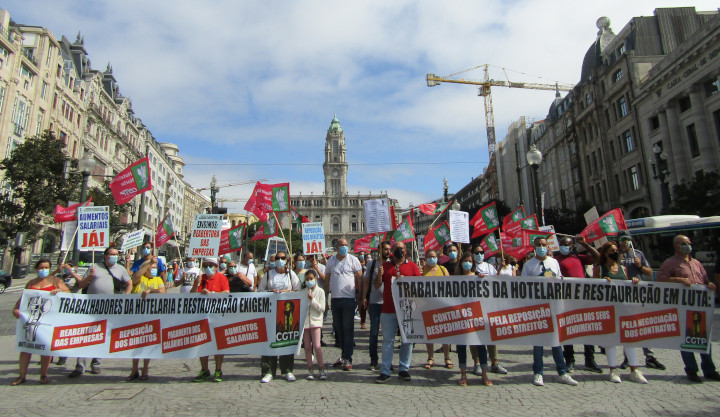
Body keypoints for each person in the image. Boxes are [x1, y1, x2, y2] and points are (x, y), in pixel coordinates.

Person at [657, 235, 720, 383]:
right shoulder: (670, 263)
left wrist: (710, 284)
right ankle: (691, 370)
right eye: (683, 243)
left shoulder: (696, 263)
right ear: (676, 246)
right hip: (683, 307)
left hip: (700, 306)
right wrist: (678, 280)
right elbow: (660, 280)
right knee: (686, 339)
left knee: (703, 338)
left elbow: (705, 279)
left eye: (688, 243)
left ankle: (709, 369)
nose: (687, 245)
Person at [521, 237, 578, 386]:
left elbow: (559, 280)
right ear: (534, 246)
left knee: (556, 341)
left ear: (548, 246)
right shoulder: (528, 265)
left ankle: (562, 372)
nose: (541, 247)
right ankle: (538, 372)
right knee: (538, 343)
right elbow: (523, 287)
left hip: (554, 306)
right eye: (538, 245)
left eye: (543, 245)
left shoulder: (554, 262)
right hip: (538, 307)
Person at [70, 247, 132, 378]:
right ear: (105, 256)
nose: (115, 256)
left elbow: (129, 283)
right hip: (90, 306)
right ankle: (80, 365)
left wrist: (126, 296)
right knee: (85, 334)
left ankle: (96, 363)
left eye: (116, 254)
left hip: (108, 307)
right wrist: (90, 277)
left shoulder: (120, 269)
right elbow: (81, 284)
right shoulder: (95, 266)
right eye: (112, 254)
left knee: (101, 335)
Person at [592, 242, 648, 384]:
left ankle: (634, 369)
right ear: (605, 253)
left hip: (624, 308)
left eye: (616, 250)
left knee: (629, 338)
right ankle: (613, 369)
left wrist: (633, 281)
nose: (615, 252)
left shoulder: (622, 268)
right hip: (608, 309)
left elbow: (627, 285)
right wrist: (601, 282)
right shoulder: (599, 268)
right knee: (611, 340)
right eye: (612, 250)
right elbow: (592, 287)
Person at [11, 259, 71, 385]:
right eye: (41, 267)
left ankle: (43, 375)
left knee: (45, 348)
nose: (44, 270)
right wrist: (16, 309)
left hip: (48, 320)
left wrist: (60, 291)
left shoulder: (56, 281)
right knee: (26, 348)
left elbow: (68, 294)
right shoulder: (31, 282)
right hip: (31, 319)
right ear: (36, 269)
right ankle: (22, 376)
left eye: (46, 267)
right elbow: (23, 298)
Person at [617, 231, 666, 370]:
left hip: (639, 293)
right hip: (623, 294)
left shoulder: (638, 253)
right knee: (626, 325)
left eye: (627, 239)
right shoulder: (616, 254)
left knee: (643, 324)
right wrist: (620, 254)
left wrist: (640, 266)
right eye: (622, 239)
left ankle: (650, 356)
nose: (625, 242)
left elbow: (649, 273)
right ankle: (628, 357)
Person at [554, 234, 602, 374]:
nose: (563, 247)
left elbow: (598, 258)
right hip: (566, 298)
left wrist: (586, 245)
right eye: (561, 244)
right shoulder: (556, 260)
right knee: (568, 330)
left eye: (566, 244)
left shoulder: (578, 258)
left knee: (587, 329)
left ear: (572, 246)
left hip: (582, 297)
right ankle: (569, 360)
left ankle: (590, 359)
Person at [375, 241, 421, 384]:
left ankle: (403, 368)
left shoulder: (412, 266)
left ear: (405, 251)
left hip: (407, 309)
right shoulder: (385, 266)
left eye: (401, 248)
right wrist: (378, 275)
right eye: (396, 249)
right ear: (391, 251)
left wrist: (406, 280)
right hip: (388, 308)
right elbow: (377, 286)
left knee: (407, 341)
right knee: (388, 341)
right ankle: (385, 370)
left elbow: (420, 286)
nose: (398, 251)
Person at [259, 251, 301, 383]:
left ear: (287, 260)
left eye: (283, 258)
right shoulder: (268, 275)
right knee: (269, 341)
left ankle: (287, 369)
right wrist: (270, 292)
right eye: (278, 258)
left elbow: (298, 290)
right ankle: (268, 371)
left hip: (287, 311)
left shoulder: (291, 274)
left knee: (286, 339)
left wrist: (286, 292)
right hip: (270, 311)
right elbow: (260, 291)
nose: (280, 260)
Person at [324, 238, 363, 371]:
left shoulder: (353, 260)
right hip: (335, 300)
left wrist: (361, 296)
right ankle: (343, 355)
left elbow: (360, 278)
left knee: (348, 329)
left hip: (348, 299)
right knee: (338, 330)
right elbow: (327, 281)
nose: (345, 247)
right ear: (336, 247)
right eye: (342, 245)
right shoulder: (331, 261)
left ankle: (348, 358)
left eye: (346, 245)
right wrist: (325, 298)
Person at [455, 252, 492, 387]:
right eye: (465, 260)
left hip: (477, 313)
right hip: (461, 315)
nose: (468, 263)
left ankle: (484, 373)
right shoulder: (456, 279)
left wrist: (482, 279)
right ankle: (463, 374)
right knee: (461, 345)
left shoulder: (477, 277)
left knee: (481, 345)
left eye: (470, 261)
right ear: (461, 263)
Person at [127, 257, 166, 381]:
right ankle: (134, 369)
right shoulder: (140, 278)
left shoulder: (158, 279)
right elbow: (135, 277)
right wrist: (149, 263)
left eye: (155, 268)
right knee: (135, 344)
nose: (154, 270)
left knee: (147, 344)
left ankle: (145, 369)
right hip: (137, 316)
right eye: (151, 268)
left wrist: (151, 291)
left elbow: (162, 291)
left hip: (151, 316)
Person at [471, 244, 508, 375]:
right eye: (476, 252)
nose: (479, 255)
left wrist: (500, 271)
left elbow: (496, 283)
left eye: (481, 252)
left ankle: (494, 362)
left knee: (491, 336)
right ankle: (477, 363)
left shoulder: (489, 267)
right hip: (474, 306)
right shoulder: (470, 266)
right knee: (474, 336)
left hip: (488, 306)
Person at [191, 258, 229, 382]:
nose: (207, 268)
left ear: (215, 266)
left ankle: (218, 370)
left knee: (218, 344)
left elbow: (226, 293)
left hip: (217, 316)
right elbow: (191, 295)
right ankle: (204, 370)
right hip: (202, 316)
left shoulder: (221, 278)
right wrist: (197, 284)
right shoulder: (201, 278)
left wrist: (211, 293)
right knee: (202, 344)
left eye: (210, 265)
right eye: (205, 265)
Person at [421, 249, 453, 370]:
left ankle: (447, 357)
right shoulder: (422, 270)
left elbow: (450, 284)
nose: (432, 259)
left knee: (445, 333)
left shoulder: (443, 270)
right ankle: (430, 357)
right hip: (427, 305)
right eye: (430, 257)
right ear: (426, 258)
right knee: (429, 334)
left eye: (434, 256)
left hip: (442, 305)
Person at [362, 242, 391, 370]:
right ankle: (373, 359)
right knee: (374, 332)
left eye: (389, 249)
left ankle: (387, 361)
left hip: (388, 303)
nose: (387, 251)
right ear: (379, 250)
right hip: (374, 302)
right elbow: (367, 281)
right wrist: (364, 297)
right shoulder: (372, 264)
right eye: (385, 249)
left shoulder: (391, 264)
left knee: (388, 334)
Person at [302, 270, 327, 381]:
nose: (309, 281)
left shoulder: (320, 291)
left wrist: (312, 300)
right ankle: (310, 369)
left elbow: (322, 308)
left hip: (316, 321)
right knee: (307, 347)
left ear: (316, 279)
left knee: (317, 346)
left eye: (311, 279)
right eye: (307, 279)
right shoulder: (303, 291)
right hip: (305, 322)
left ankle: (321, 369)